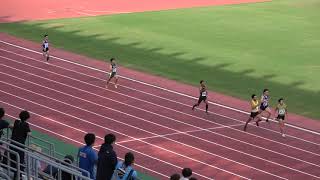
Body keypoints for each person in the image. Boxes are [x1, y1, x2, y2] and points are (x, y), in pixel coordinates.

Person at [10, 110, 31, 179]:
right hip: (20, 146)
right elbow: (29, 133)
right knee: (20, 162)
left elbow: (12, 127)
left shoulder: (16, 121)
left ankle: (15, 175)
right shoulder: (26, 125)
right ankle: (18, 176)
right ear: (27, 118)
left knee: (13, 160)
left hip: (12, 143)